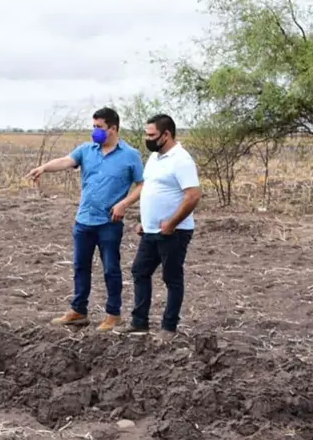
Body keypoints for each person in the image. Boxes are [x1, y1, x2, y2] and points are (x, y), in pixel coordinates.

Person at [26, 107, 144, 331]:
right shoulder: (86, 150)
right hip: (84, 220)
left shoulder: (130, 155)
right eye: (93, 127)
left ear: (113, 128)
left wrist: (124, 203)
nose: (95, 132)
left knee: (111, 268)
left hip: (109, 222)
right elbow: (66, 161)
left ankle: (113, 313)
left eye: (99, 127)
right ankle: (78, 310)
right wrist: (44, 168)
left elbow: (142, 185)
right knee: (81, 266)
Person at [116, 113, 200, 340]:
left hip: (174, 232)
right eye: (146, 134)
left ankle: (169, 328)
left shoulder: (181, 160)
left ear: (166, 134)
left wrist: (172, 223)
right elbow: (150, 189)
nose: (148, 138)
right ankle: (139, 322)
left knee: (172, 278)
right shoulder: (154, 158)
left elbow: (193, 196)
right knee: (139, 271)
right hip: (151, 231)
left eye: (151, 135)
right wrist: (146, 221)